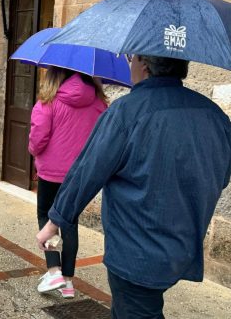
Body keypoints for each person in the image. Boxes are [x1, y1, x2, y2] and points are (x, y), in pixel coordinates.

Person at [36, 55, 231, 318]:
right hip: (182, 244)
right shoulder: (213, 114)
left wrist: (53, 221)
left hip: (136, 248)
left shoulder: (126, 111)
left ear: (144, 65)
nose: (130, 66)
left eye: (132, 58)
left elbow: (87, 171)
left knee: (136, 309)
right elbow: (222, 175)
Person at [29, 67, 107, 298]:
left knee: (47, 215)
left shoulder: (48, 102)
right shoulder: (100, 105)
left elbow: (37, 138)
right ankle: (69, 281)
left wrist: (34, 152)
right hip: (80, 175)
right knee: (70, 221)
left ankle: (54, 271)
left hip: (50, 173)